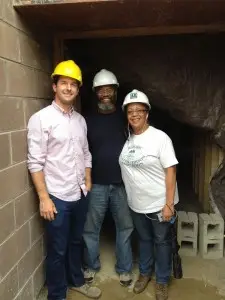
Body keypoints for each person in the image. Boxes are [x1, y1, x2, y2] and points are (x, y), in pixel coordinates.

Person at [27, 60, 102, 300]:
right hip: (56, 196)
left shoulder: (80, 121)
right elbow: (35, 162)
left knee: (76, 241)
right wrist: (44, 198)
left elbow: (86, 152)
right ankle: (57, 295)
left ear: (78, 89)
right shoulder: (41, 119)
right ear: (54, 86)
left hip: (79, 193)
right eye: (63, 83)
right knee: (57, 250)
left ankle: (76, 281)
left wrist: (88, 180)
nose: (68, 88)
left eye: (73, 84)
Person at [119, 89, 179, 300]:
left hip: (159, 202)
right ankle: (145, 274)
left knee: (161, 242)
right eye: (130, 111)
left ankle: (161, 280)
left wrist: (169, 204)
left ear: (147, 113)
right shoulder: (127, 138)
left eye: (139, 110)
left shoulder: (160, 138)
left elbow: (170, 169)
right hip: (136, 203)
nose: (134, 114)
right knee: (144, 239)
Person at [83, 69, 134, 286]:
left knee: (125, 227)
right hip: (96, 184)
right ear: (95, 92)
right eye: (101, 89)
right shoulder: (87, 120)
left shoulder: (126, 118)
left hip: (122, 184)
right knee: (90, 229)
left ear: (115, 91)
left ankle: (124, 269)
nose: (105, 93)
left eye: (109, 89)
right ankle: (91, 266)